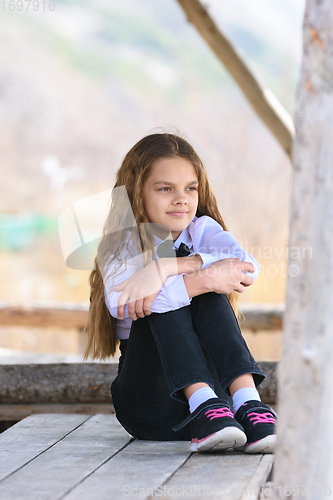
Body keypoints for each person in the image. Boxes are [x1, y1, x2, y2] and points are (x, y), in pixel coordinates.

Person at [85, 133, 277, 454]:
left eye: (190, 188)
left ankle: (248, 403)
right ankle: (201, 403)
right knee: (171, 296)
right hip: (150, 404)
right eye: (165, 189)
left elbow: (247, 268)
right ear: (137, 193)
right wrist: (196, 276)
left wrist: (167, 269)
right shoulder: (122, 245)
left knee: (205, 289)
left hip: (222, 407)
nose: (181, 199)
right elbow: (125, 303)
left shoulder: (202, 231)